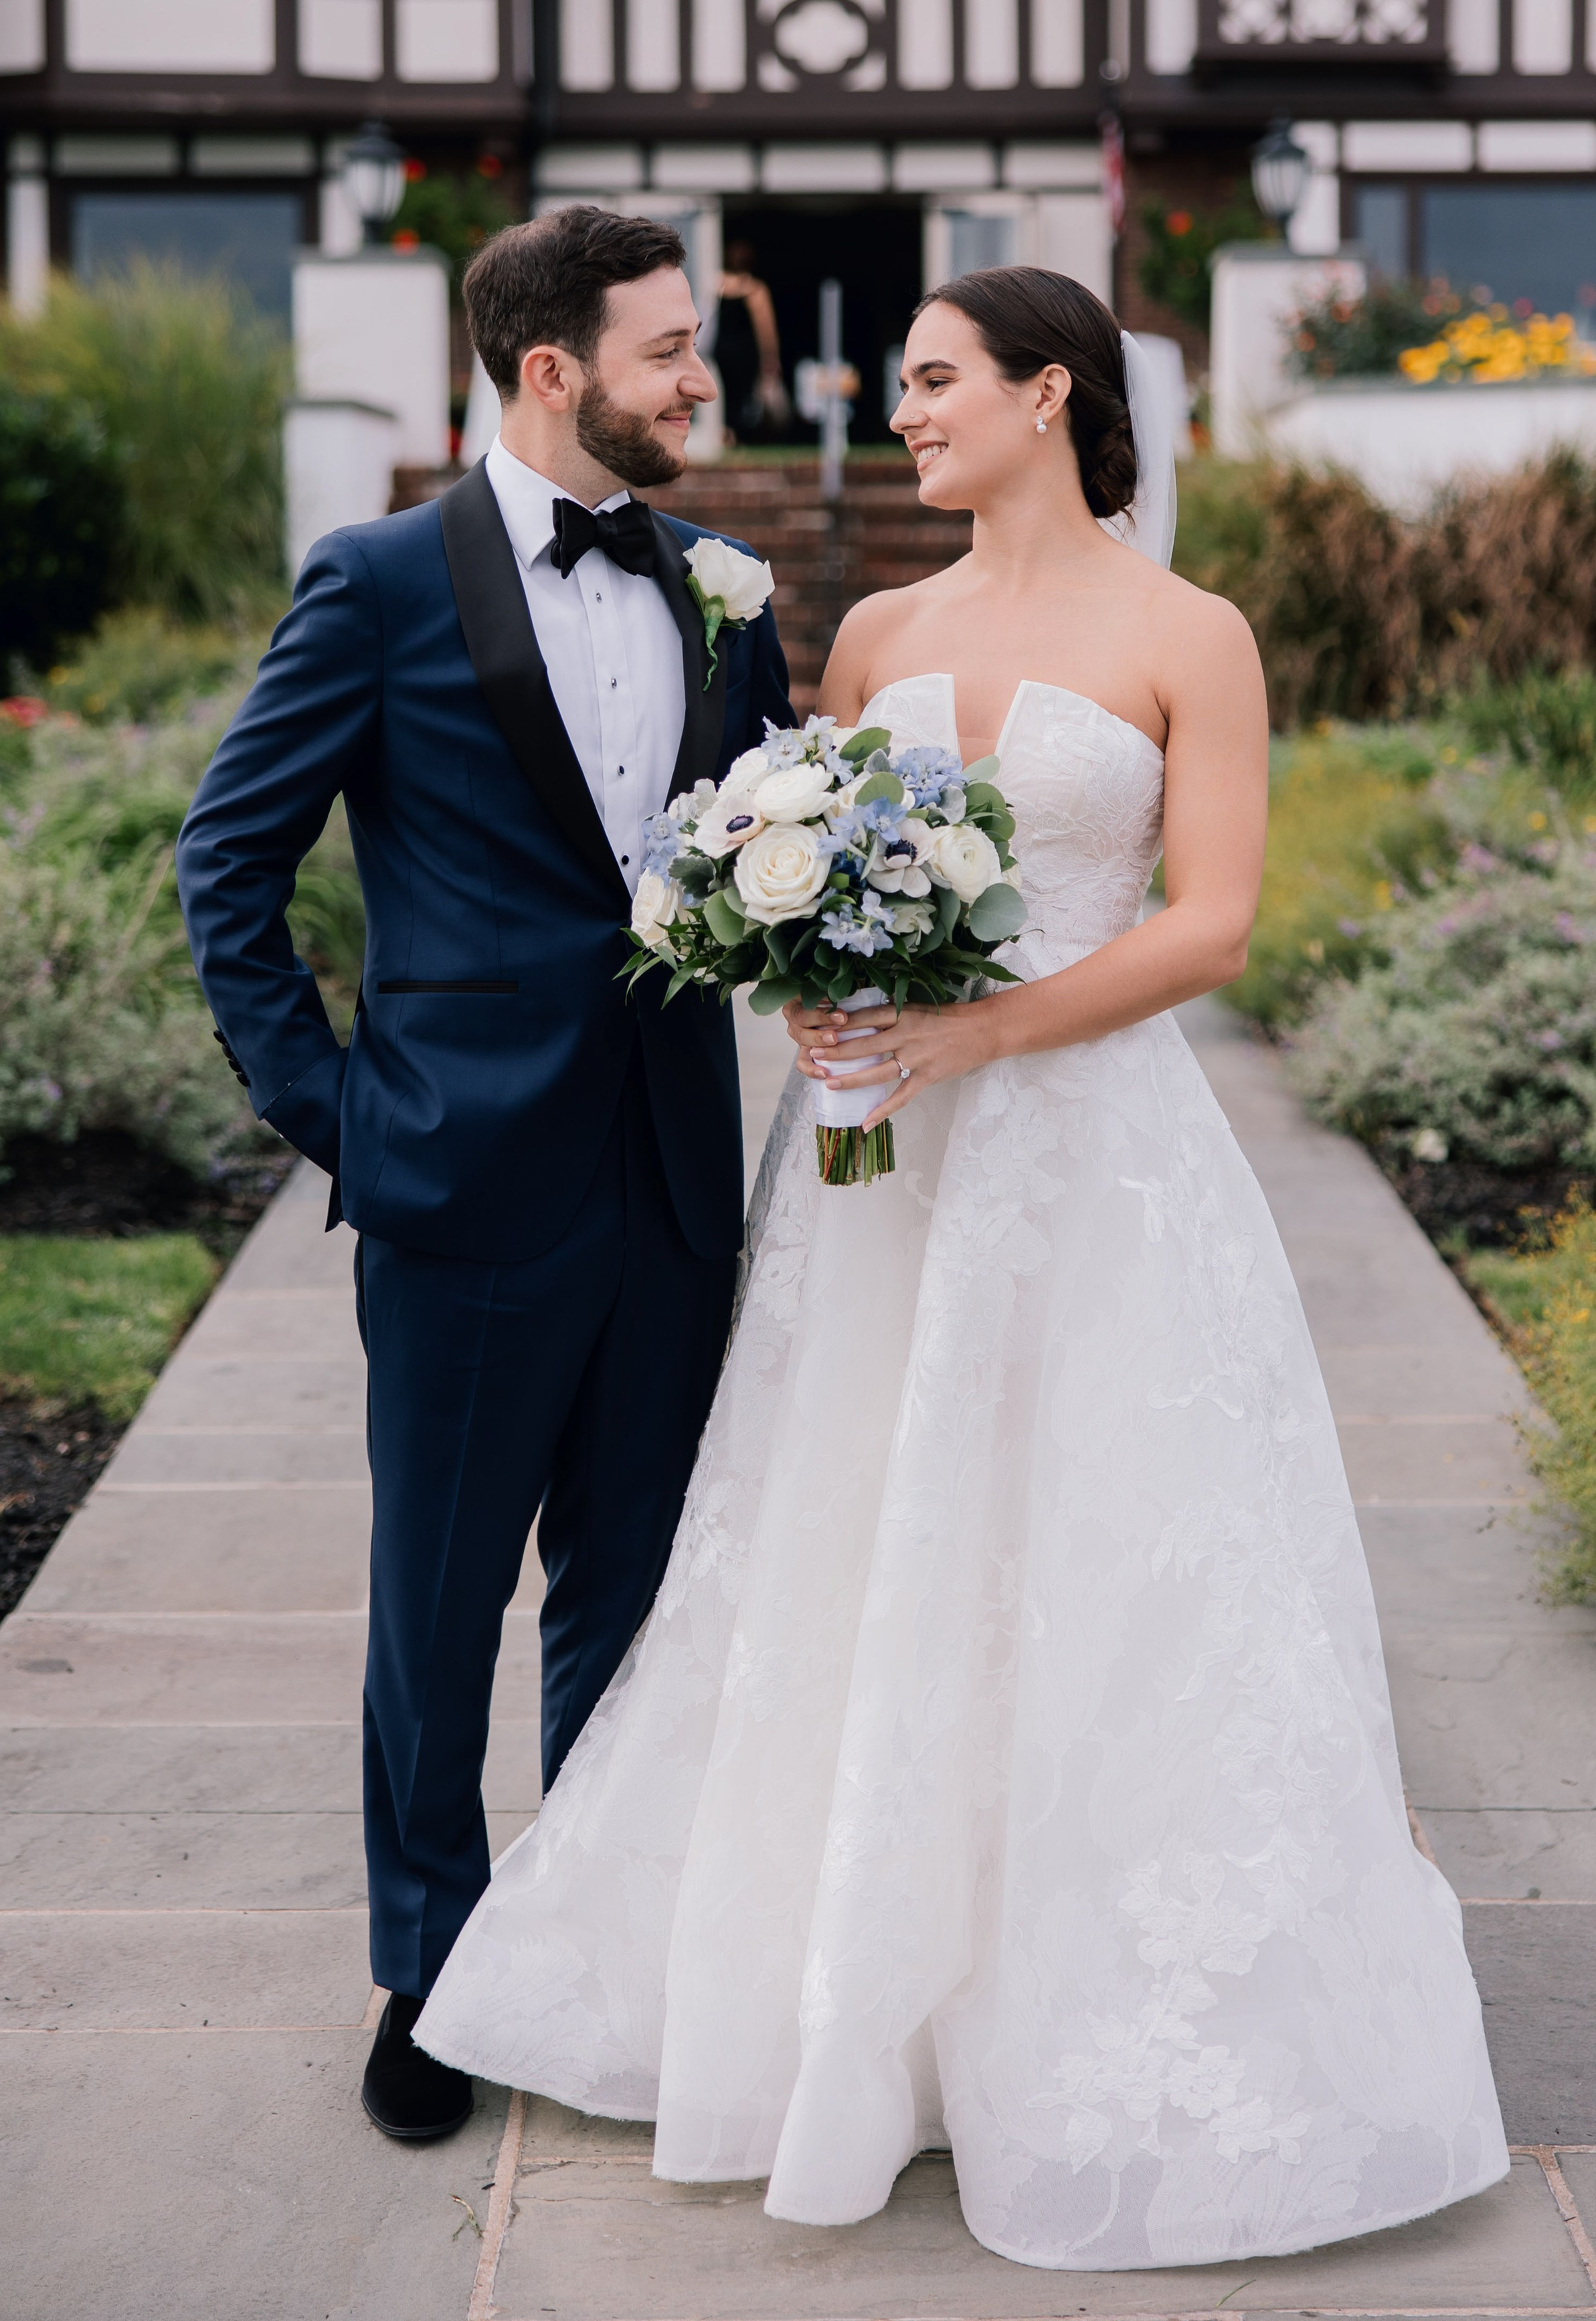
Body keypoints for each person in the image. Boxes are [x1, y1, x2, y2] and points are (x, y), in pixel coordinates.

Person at [415, 266, 1510, 2271]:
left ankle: (1066, 1999)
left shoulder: (1193, 632)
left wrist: (977, 1035)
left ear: (1046, 390)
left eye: (926, 380)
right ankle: (847, 1998)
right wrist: (813, 989)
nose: (893, 406)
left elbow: (1213, 923)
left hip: (1094, 1161)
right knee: (850, 1528)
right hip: (875, 1167)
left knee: (1097, 1552)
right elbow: (815, 857)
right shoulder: (877, 632)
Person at [174, 206, 796, 2146]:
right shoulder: (372, 582)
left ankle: (589, 1957)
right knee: (436, 1612)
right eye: (674, 350)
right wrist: (345, 1120)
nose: (707, 379)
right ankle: (426, 1970)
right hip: (460, 1185)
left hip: (678, 1183)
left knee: (625, 1593)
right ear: (555, 370)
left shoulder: (724, 587)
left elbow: (765, 849)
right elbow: (228, 869)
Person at [713, 240, 789, 441]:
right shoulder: (755, 289)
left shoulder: (718, 284)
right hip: (744, 353)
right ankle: (739, 435)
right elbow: (765, 329)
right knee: (745, 397)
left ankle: (730, 434)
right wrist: (771, 358)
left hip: (721, 349)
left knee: (726, 395)